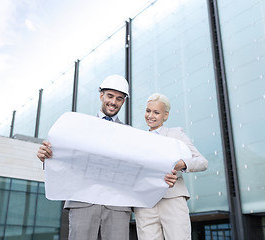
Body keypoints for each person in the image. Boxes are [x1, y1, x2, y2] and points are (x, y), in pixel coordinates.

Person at [37, 76, 178, 240]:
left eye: (119, 99)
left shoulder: (130, 135)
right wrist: (47, 157)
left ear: (123, 102)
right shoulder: (79, 127)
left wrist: (162, 177)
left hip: (116, 206)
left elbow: (140, 167)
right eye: (110, 96)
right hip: (83, 202)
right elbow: (66, 157)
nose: (114, 102)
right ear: (101, 96)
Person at [134, 93, 208, 240]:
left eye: (156, 112)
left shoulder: (176, 134)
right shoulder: (138, 139)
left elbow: (202, 162)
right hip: (145, 204)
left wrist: (182, 164)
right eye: (148, 111)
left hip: (172, 199)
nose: (151, 116)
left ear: (165, 115)